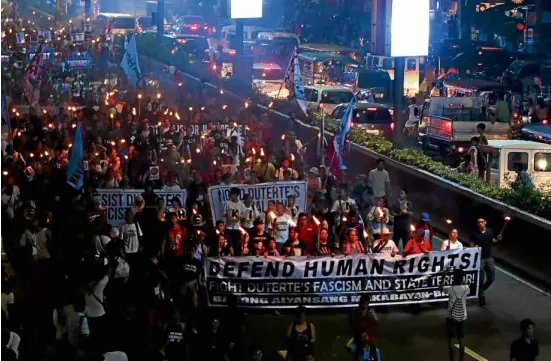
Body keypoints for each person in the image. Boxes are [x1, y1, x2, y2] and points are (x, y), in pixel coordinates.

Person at [440, 268, 470, 361]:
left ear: (453, 278)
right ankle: (461, 358)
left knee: (451, 339)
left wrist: (444, 275)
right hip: (462, 316)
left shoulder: (450, 289)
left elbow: (440, 287)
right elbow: (464, 284)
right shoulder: (466, 289)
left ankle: (452, 359)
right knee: (461, 338)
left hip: (451, 316)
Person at [469, 218, 500, 307]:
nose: (480, 224)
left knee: (491, 278)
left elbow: (493, 242)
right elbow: (471, 247)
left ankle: (480, 290)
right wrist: (475, 246)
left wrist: (498, 240)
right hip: (480, 259)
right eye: (478, 222)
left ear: (485, 222)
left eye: (482, 222)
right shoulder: (474, 234)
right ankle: (482, 298)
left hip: (489, 258)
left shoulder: (490, 231)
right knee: (481, 279)